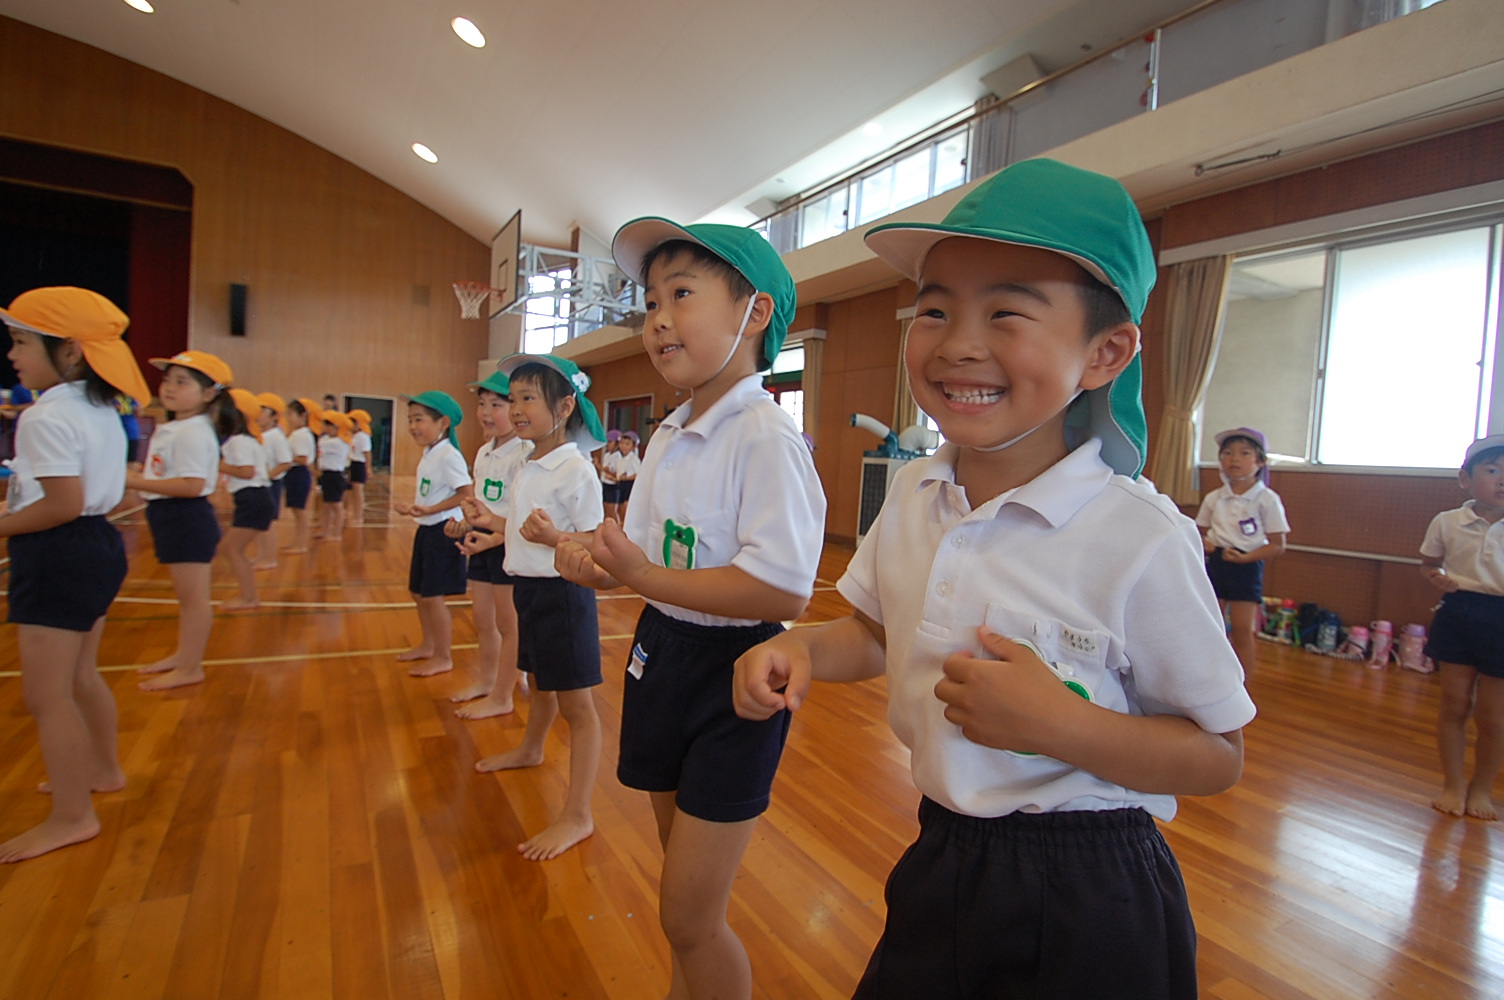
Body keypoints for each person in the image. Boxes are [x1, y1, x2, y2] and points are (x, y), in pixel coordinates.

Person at [732, 159, 1256, 1000]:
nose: (957, 341)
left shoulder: (1139, 537)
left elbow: (1218, 755)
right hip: (946, 851)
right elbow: (873, 629)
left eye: (1006, 311)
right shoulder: (915, 491)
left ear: (1106, 351)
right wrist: (798, 648)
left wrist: (1061, 724)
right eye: (933, 308)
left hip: (1094, 887)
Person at [554, 218, 824, 999]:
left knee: (691, 917)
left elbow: (781, 591)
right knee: (680, 895)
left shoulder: (766, 439)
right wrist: (590, 563)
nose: (659, 318)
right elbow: (641, 560)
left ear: (756, 312)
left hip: (734, 674)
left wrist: (638, 575)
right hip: (662, 652)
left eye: (682, 294)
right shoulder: (670, 432)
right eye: (649, 302)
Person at [0, 287, 150, 862]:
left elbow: (61, 503)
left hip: (60, 549)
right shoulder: (102, 410)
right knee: (82, 676)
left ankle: (71, 815)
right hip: (95, 546)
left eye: (20, 342)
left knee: (46, 694)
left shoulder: (47, 415)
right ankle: (102, 771)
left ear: (68, 353)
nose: (13, 355)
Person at [460, 354, 604, 861]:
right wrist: (489, 528)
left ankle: (579, 814)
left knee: (578, 709)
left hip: (564, 596)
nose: (515, 408)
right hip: (532, 592)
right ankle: (531, 747)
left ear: (564, 406)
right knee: (540, 682)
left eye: (527, 398)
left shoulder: (574, 469)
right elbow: (522, 530)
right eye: (513, 397)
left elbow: (595, 541)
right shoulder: (529, 461)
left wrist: (555, 536)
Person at [127, 350, 240, 691]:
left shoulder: (193, 430)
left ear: (208, 394)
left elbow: (191, 485)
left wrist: (132, 481)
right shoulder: (179, 426)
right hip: (170, 515)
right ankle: (184, 655)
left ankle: (191, 666)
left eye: (181, 382)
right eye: (167, 380)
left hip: (185, 517)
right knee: (186, 598)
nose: (169, 388)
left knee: (194, 599)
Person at [1421, 433, 1504, 820]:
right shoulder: (1447, 521)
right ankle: (1453, 785)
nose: (1502, 479)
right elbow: (1429, 564)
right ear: (1465, 479)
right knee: (1454, 705)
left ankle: (1482, 789)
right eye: (1492, 470)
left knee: (1494, 717)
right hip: (1457, 613)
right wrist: (1436, 577)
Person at [448, 371, 531, 718]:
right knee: (482, 619)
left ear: (514, 408)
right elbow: (483, 502)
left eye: (496, 404)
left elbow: (522, 513)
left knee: (509, 624)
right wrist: (464, 523)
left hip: (508, 544)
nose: (485, 411)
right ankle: (488, 681)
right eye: (482, 403)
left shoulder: (524, 451)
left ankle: (504, 695)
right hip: (484, 543)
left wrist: (492, 539)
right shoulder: (484, 452)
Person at [1196, 427, 1290, 673]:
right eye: (1227, 453)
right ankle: (1211, 677)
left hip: (1246, 567)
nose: (1234, 459)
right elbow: (1197, 532)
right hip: (1216, 563)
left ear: (1260, 462)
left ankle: (1243, 685)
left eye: (1244, 453)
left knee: (1241, 630)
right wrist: (1206, 544)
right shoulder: (1214, 497)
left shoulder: (1267, 499)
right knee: (1211, 625)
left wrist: (1245, 557)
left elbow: (1278, 545)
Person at [392, 390, 471, 677]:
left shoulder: (449, 455)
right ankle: (428, 645)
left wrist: (431, 509)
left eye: (419, 419)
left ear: (443, 423)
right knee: (418, 592)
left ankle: (443, 655)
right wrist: (417, 508)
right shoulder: (429, 453)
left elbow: (466, 493)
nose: (413, 426)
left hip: (444, 531)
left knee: (433, 595)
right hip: (427, 529)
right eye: (411, 420)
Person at [217, 388, 274, 610]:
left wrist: (214, 463)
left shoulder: (239, 441)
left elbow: (246, 472)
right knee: (231, 549)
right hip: (251, 498)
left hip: (253, 498)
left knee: (232, 549)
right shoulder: (244, 440)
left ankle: (249, 597)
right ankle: (248, 594)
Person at [252, 392, 293, 569]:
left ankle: (269, 558)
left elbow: (285, 462)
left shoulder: (277, 437)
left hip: (270, 485)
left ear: (274, 416)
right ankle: (262, 555)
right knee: (260, 524)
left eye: (262, 411)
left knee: (267, 524)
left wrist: (267, 477)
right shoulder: (260, 435)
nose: (258, 415)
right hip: (260, 484)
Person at [282, 398, 320, 553]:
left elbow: (303, 459)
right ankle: (297, 543)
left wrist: (283, 459)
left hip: (298, 473)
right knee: (296, 511)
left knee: (300, 511)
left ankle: (301, 544)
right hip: (294, 473)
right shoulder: (296, 434)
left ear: (302, 415)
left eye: (292, 414)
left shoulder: (302, 435)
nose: (289, 418)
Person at [316, 409, 352, 542]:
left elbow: (322, 446)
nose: (325, 428)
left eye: (328, 425)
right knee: (326, 505)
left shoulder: (340, 442)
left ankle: (337, 533)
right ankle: (325, 531)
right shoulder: (325, 439)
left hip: (335, 475)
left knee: (337, 505)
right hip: (325, 474)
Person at [347, 408, 372, 525]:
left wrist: (368, 468)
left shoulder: (363, 436)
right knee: (350, 491)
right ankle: (351, 512)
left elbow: (367, 453)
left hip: (359, 464)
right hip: (351, 463)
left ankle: (359, 516)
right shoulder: (353, 435)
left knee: (358, 490)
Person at [614, 429, 641, 521]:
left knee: (626, 509)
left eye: (627, 444)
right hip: (621, 485)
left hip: (630, 485)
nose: (623, 446)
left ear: (633, 446)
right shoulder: (621, 458)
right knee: (619, 509)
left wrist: (627, 478)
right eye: (622, 443)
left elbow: (639, 475)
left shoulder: (633, 459)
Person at [599, 428, 624, 521]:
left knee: (612, 511)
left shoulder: (618, 456)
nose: (608, 444)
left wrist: (608, 471)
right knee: (605, 509)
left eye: (610, 442)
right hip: (605, 483)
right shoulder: (607, 455)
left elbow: (618, 474)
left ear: (617, 444)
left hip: (613, 486)